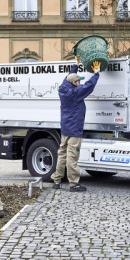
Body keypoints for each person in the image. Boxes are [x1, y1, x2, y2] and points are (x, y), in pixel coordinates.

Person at [51, 58, 101, 192]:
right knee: (72, 156)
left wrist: (75, 65)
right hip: (74, 129)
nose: (80, 83)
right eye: (79, 81)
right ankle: (74, 184)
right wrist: (96, 73)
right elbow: (89, 86)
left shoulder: (64, 87)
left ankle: (56, 180)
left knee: (62, 154)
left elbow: (68, 76)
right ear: (74, 83)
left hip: (65, 128)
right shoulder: (75, 93)